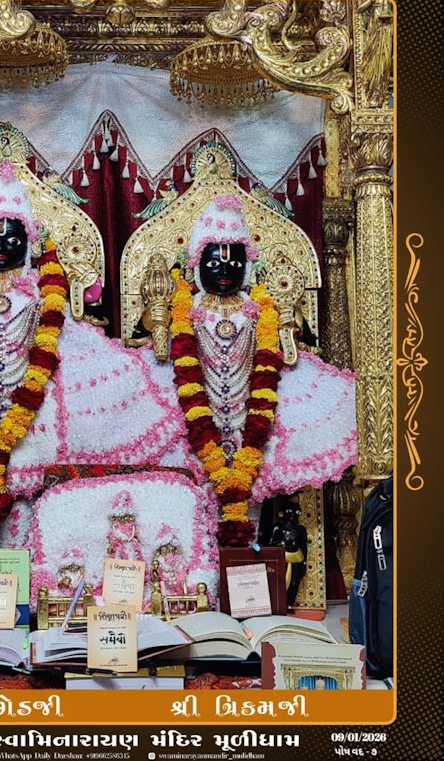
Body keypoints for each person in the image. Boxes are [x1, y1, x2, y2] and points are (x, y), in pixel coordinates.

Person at [0, 158, 191, 551]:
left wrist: (137, 369)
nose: (1, 246)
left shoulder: (42, 292)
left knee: (36, 511)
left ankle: (27, 587)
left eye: (12, 238)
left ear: (30, 243)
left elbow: (71, 337)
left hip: (35, 419)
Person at [142, 193, 358, 547]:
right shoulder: (185, 309)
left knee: (251, 490)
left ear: (247, 267)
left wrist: (288, 324)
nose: (224, 271)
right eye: (214, 263)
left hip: (254, 416)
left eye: (233, 264)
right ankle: (202, 565)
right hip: (192, 416)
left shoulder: (258, 309)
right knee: (196, 501)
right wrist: (157, 321)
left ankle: (246, 562)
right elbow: (161, 346)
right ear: (197, 265)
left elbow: (289, 349)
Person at [267, 500, 308, 608]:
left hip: (297, 558)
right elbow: (270, 544)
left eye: (296, 512)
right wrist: (283, 543)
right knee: (280, 581)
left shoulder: (300, 529)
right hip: (282, 558)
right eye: (290, 511)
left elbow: (303, 547)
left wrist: (304, 563)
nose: (293, 515)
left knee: (294, 582)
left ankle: (290, 604)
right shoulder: (278, 527)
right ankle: (279, 604)